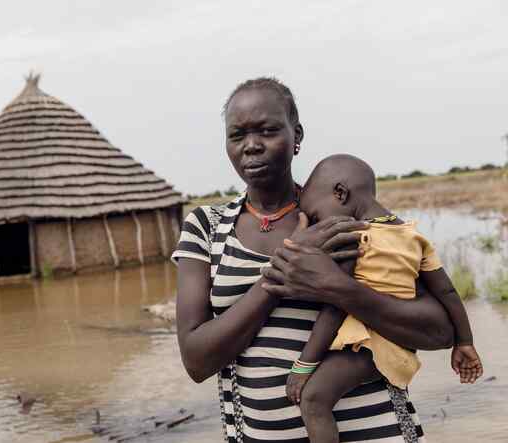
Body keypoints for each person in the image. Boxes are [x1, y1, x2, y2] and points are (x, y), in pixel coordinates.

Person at [173, 77, 454, 442]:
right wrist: (283, 272)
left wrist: (338, 287)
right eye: (237, 135)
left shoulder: (344, 217)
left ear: (297, 136)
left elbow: (439, 331)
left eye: (268, 130)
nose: (252, 146)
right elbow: (197, 361)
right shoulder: (206, 228)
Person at [283, 154, 483, 443]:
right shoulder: (412, 235)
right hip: (399, 346)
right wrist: (465, 342)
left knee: (313, 400)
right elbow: (448, 292)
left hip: (370, 346)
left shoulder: (353, 238)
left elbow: (336, 307)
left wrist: (303, 366)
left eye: (314, 216)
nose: (315, 226)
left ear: (340, 193)